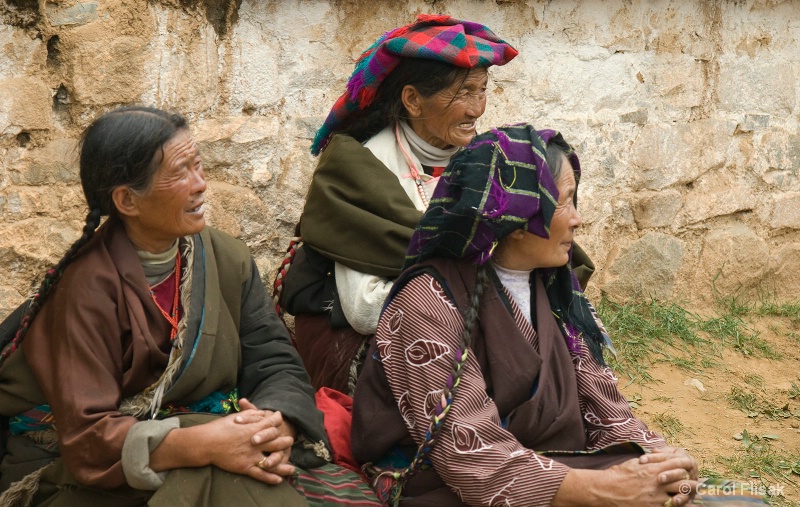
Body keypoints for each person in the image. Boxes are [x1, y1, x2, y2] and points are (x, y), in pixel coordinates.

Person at [351, 123, 768, 506]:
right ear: (516, 219)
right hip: (449, 487)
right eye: (564, 203)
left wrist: (660, 459)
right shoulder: (427, 300)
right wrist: (606, 490)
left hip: (562, 470)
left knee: (742, 501)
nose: (577, 219)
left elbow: (604, 407)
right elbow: (469, 453)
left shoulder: (554, 289)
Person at [0, 106, 380, 506]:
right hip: (71, 465)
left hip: (209, 436)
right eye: (181, 172)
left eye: (199, 166)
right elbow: (88, 437)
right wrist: (203, 444)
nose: (201, 185)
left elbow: (274, 360)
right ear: (127, 200)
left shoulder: (226, 258)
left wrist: (275, 423)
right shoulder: (84, 289)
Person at [274, 13, 521, 395]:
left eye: (482, 90)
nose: (477, 110)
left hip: (445, 320)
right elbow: (364, 310)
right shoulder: (361, 171)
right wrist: (477, 295)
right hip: (355, 341)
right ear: (412, 100)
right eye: (463, 93)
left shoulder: (477, 162)